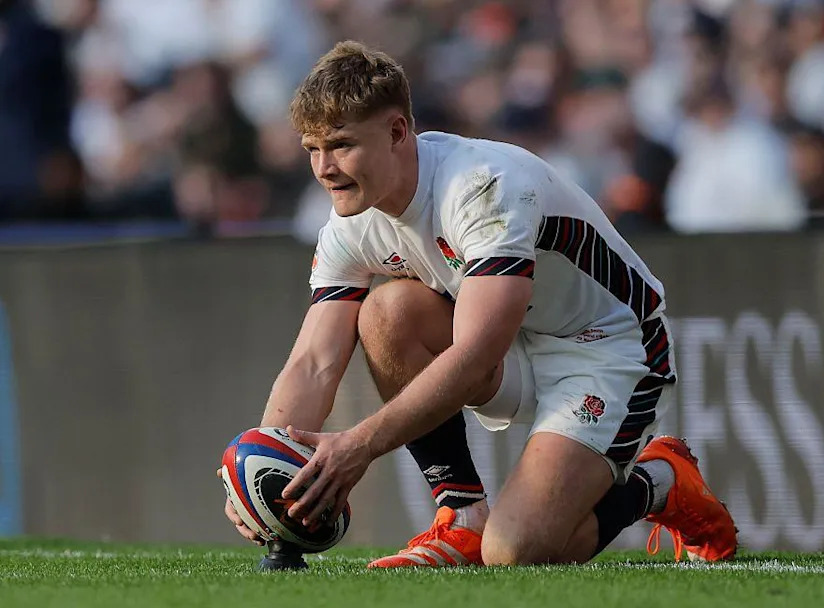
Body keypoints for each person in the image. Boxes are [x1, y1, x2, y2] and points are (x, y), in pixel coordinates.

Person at [222, 41, 737, 568]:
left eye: (341, 144)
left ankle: (659, 483)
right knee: (387, 312)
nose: (325, 167)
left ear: (398, 132)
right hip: (514, 343)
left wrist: (358, 446)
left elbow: (473, 359)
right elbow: (314, 361)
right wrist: (263, 469)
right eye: (312, 148)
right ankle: (462, 515)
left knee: (516, 551)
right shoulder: (350, 219)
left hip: (609, 350)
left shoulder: (481, 189)